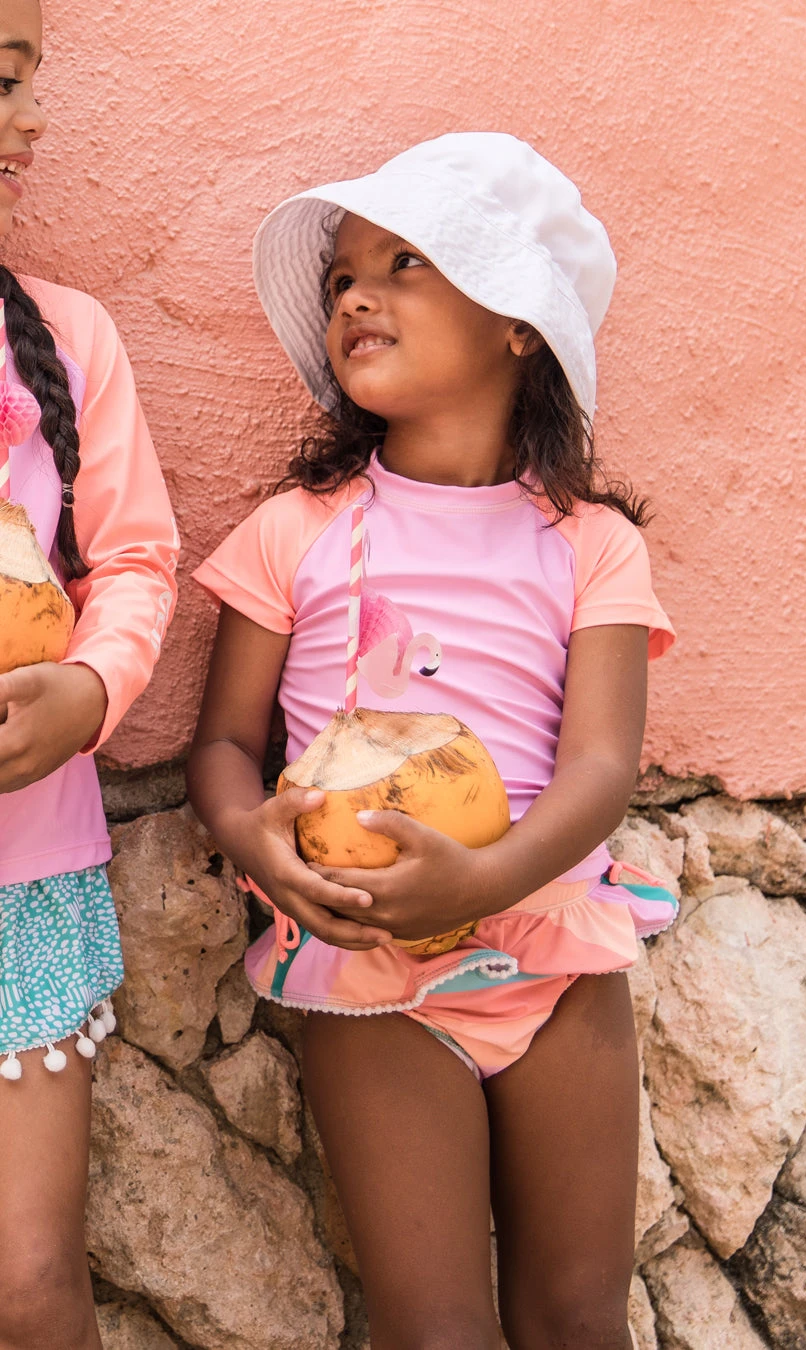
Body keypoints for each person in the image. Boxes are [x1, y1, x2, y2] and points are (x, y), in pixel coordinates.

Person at [188, 132, 676, 1350]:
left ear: (519, 323)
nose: (357, 294)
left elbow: (601, 769)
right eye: (342, 277)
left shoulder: (591, 545)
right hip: (372, 966)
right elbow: (224, 745)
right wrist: (255, 839)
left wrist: (484, 879)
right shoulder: (295, 532)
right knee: (436, 1329)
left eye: (404, 263)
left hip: (553, 949)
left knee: (578, 1318)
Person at [0, 2, 179, 1345]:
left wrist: (90, 691)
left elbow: (136, 559)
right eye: (3, 80)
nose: (33, 118)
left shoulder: (65, 339)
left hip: (21, 875)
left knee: (27, 1276)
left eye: (29, 78)